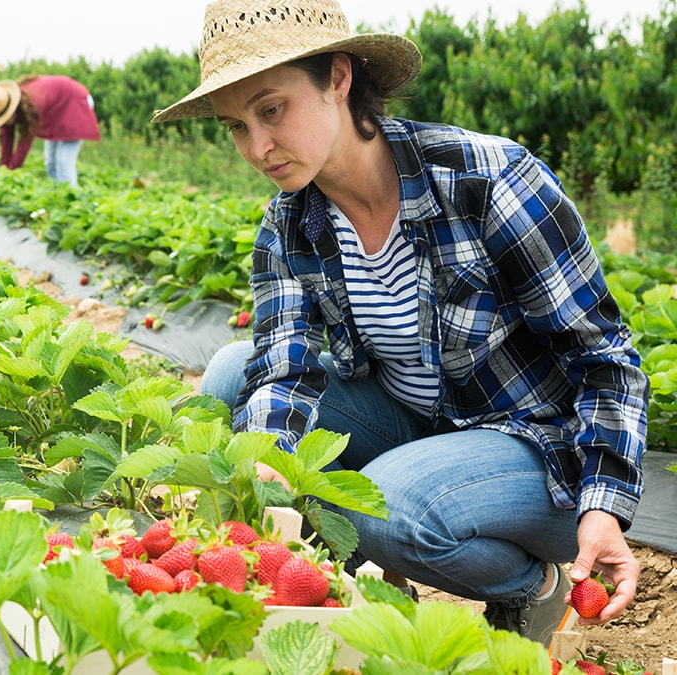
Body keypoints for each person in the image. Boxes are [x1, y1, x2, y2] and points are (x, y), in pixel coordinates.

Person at [153, 0, 649, 648]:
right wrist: (268, 458)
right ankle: (347, 592)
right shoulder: (287, 227)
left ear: (338, 77)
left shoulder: (486, 180)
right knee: (229, 378)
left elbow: (605, 357)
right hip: (415, 427)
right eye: (234, 126)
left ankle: (530, 586)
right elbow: (282, 366)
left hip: (545, 458)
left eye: (271, 110)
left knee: (382, 503)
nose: (257, 147)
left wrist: (606, 503)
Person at [0, 75, 101, 186]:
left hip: (74, 100)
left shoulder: (32, 102)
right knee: (51, 162)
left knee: (63, 161)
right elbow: (6, 142)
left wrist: (12, 172)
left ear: (13, 109)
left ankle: (69, 200)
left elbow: (24, 142)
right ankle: (57, 194)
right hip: (55, 111)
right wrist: (2, 171)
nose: (5, 122)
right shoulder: (3, 106)